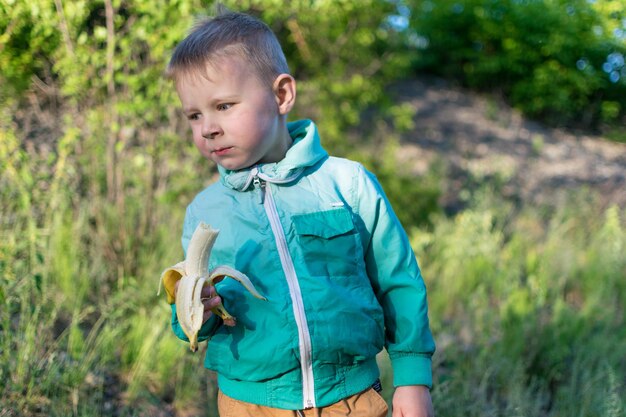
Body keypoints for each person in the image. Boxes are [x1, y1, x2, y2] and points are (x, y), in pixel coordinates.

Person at [162, 7, 436, 417]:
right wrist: (195, 309)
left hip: (351, 396)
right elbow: (196, 324)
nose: (208, 128)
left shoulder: (347, 184)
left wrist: (413, 380)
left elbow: (399, 282)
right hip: (249, 404)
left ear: (281, 95)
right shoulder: (204, 210)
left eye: (224, 106)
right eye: (195, 115)